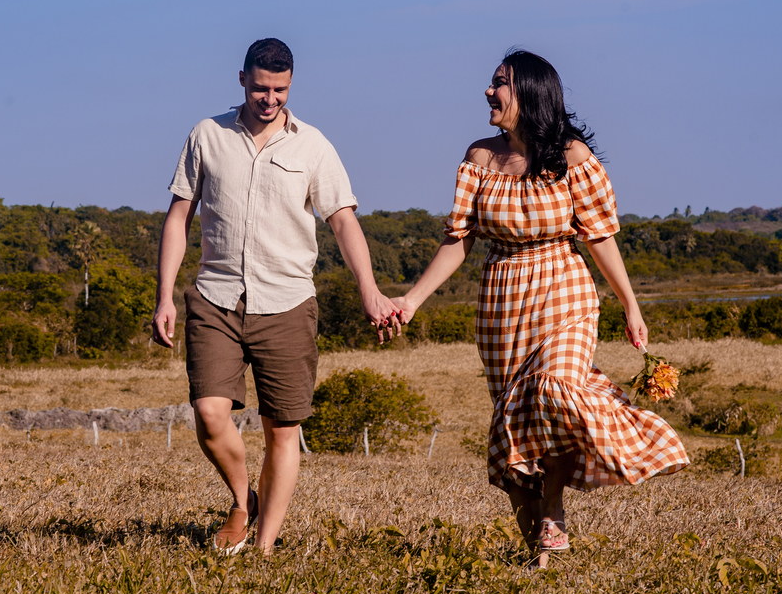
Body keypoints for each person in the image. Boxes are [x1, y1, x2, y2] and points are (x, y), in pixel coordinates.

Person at [392, 49, 688, 566]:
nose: (488, 92)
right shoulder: (480, 158)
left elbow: (600, 238)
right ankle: (539, 557)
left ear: (528, 92)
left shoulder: (571, 158)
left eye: (499, 83)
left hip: (563, 289)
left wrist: (630, 305)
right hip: (502, 301)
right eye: (491, 83)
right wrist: (412, 300)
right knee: (515, 427)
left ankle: (555, 502)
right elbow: (458, 240)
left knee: (556, 389)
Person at [152, 37, 400, 555]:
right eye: (261, 88)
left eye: (280, 90)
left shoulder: (313, 145)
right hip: (216, 296)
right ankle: (244, 502)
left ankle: (264, 546)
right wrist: (165, 297)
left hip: (287, 302)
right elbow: (179, 218)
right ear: (242, 78)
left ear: (291, 85)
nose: (270, 99)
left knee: (282, 430)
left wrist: (370, 291)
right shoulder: (207, 135)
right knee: (209, 414)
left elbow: (343, 222)